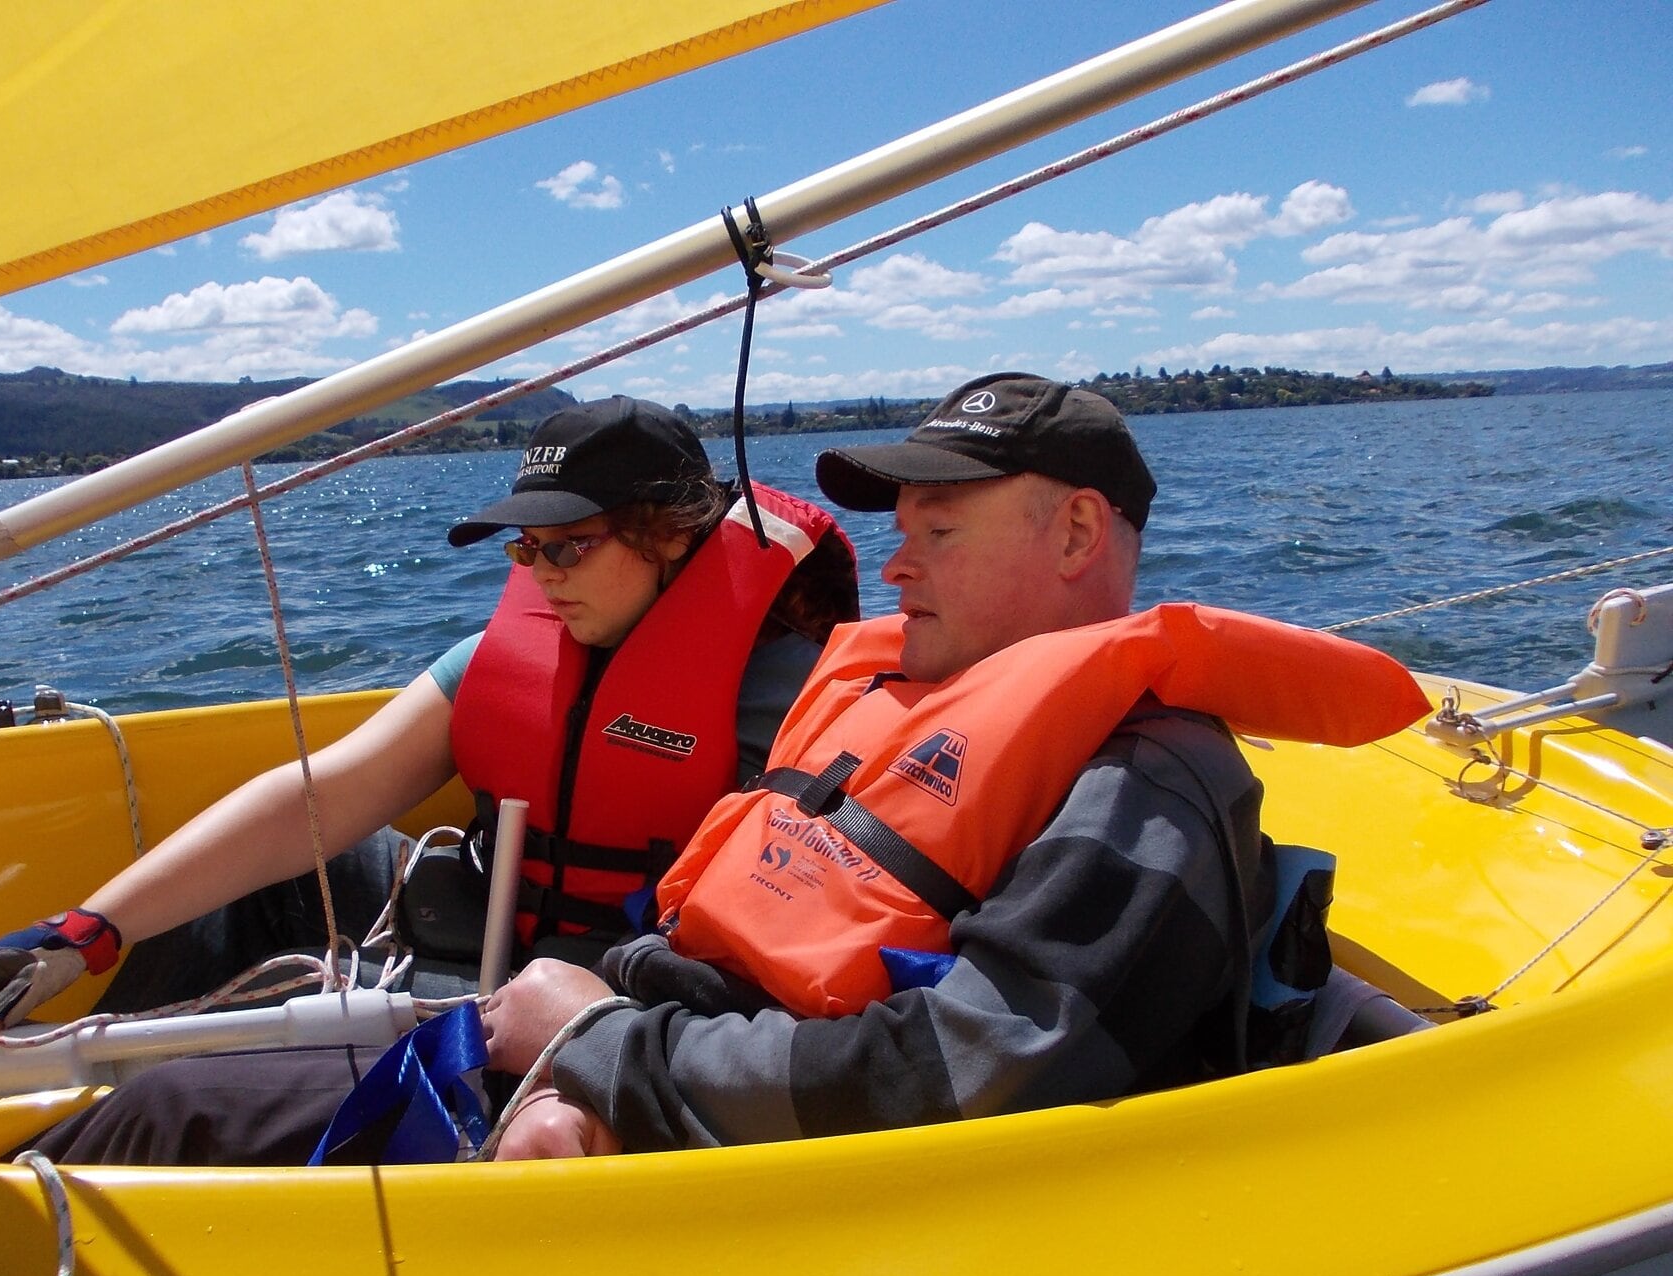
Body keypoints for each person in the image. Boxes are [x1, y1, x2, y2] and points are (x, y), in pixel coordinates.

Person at [481, 372, 1429, 1159]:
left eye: (938, 534)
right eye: (898, 535)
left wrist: (601, 1047)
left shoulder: (1143, 784)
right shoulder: (887, 702)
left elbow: (957, 1078)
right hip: (679, 1078)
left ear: (1076, 535)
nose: (895, 570)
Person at [0, 396, 857, 1164]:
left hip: (603, 1015)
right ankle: (56, 1070)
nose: (540, 575)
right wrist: (87, 931)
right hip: (488, 936)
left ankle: (64, 1166)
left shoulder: (798, 704)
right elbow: (321, 796)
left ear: (667, 534)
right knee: (268, 886)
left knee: (174, 1109)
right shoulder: (513, 660)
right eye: (524, 549)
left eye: (567, 547)